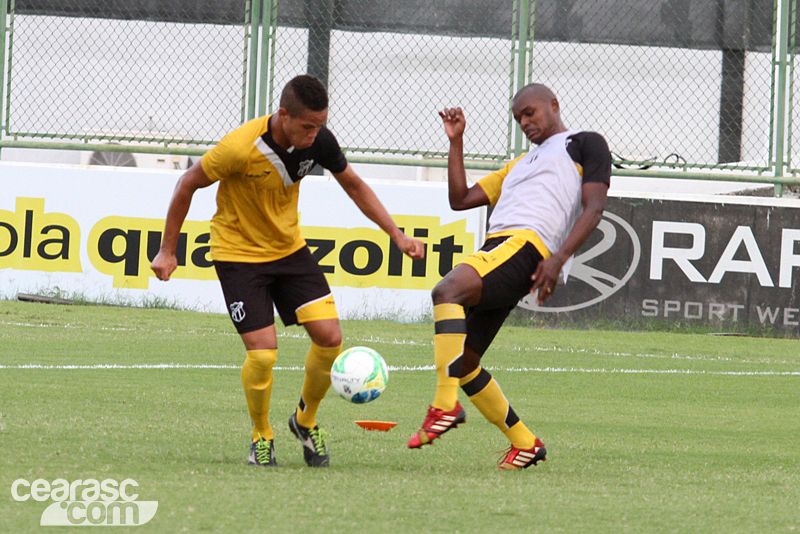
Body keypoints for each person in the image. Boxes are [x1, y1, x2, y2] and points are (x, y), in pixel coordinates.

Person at [151, 74, 424, 468]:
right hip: (238, 254)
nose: (315, 134)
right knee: (262, 356)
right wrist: (166, 250)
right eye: (307, 126)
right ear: (283, 115)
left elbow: (355, 186)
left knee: (330, 339)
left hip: (289, 251)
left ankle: (305, 421)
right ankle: (261, 435)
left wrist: (397, 235)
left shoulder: (319, 141)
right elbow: (187, 184)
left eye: (320, 125)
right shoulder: (239, 149)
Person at [407, 83, 611, 470]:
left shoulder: (584, 143)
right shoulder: (518, 165)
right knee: (465, 361)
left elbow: (594, 208)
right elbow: (460, 199)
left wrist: (558, 257)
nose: (525, 122)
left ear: (553, 104)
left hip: (525, 246)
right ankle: (525, 443)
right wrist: (456, 142)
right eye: (519, 118)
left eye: (531, 112)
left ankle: (444, 405)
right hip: (497, 250)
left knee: (446, 291)